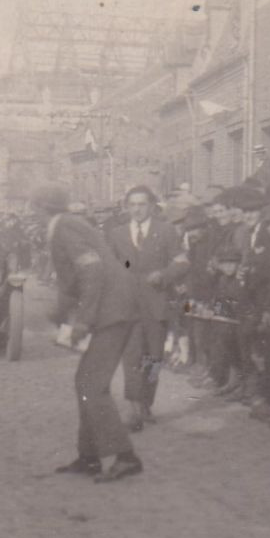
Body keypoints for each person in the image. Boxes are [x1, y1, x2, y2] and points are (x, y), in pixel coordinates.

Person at [31, 183, 145, 483]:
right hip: (115, 307)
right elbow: (73, 281)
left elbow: (91, 272)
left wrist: (83, 322)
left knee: (91, 384)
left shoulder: (63, 229)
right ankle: (89, 456)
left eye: (35, 210)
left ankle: (125, 456)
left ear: (42, 209)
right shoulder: (70, 224)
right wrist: (60, 312)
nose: (34, 217)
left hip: (113, 311)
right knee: (86, 381)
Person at [106, 185, 189, 433]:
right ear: (126, 207)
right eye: (132, 205)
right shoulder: (116, 234)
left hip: (157, 304)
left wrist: (164, 275)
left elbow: (182, 262)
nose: (137, 210)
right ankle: (132, 405)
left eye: (142, 204)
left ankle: (146, 403)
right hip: (128, 306)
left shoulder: (166, 231)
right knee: (131, 356)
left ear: (152, 206)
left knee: (153, 358)